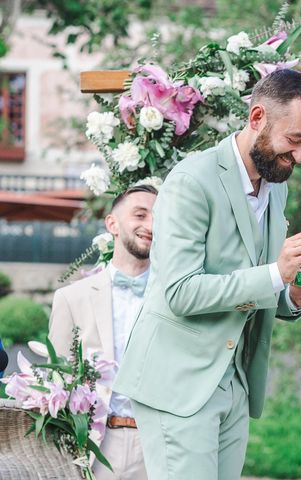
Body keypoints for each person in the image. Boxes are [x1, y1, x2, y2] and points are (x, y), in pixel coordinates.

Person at [113, 69, 301, 480]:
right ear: (256, 119)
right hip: (179, 384)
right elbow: (180, 292)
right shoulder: (191, 181)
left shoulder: (277, 185)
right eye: (295, 140)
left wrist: (292, 299)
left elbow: (258, 281)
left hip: (235, 381)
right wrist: (275, 274)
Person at [49, 184, 158, 480]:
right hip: (94, 446)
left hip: (159, 448)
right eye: (140, 215)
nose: (150, 225)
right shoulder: (71, 298)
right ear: (112, 223)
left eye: (159, 218)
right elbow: (57, 379)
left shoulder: (175, 299)